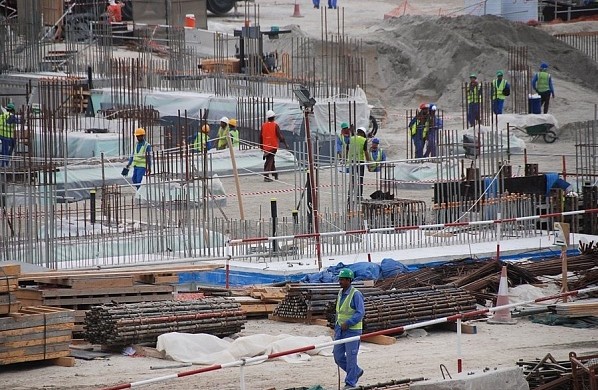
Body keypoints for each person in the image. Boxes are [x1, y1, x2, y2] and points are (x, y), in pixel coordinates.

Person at [333, 268, 365, 390]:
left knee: (351, 357)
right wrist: (336, 327)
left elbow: (360, 312)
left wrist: (349, 322)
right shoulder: (340, 293)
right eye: (339, 279)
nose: (340, 281)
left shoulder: (356, 294)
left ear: (349, 280)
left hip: (353, 330)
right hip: (340, 330)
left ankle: (350, 382)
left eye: (342, 279)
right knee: (338, 356)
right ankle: (356, 371)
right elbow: (339, 312)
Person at [260, 110, 288, 182]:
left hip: (266, 146)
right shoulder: (275, 126)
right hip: (273, 146)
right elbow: (280, 136)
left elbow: (260, 136)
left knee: (270, 160)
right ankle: (266, 176)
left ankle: (275, 174)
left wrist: (261, 146)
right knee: (269, 161)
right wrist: (285, 143)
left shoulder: (263, 126)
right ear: (274, 117)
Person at [347, 127, 370, 201]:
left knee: (352, 179)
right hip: (360, 161)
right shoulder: (364, 140)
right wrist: (369, 163)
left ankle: (349, 196)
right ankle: (359, 197)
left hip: (351, 161)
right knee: (360, 179)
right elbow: (366, 152)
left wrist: (344, 159)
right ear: (363, 133)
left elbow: (347, 150)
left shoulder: (351, 138)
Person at [0, 103, 18, 168]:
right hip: (7, 135)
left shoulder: (2, 115)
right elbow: (18, 121)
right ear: (12, 110)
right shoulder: (12, 116)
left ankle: (4, 163)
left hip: (1, 134)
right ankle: (5, 164)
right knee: (6, 150)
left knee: (5, 148)